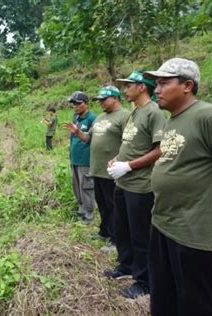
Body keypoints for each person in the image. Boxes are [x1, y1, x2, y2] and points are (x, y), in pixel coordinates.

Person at [143, 58, 212, 315]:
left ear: (187, 85)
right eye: (156, 84)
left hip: (192, 230)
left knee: (198, 302)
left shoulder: (210, 117)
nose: (156, 89)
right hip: (163, 222)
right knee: (165, 295)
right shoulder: (172, 119)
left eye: (164, 83)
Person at [103, 70, 166, 298]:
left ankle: (144, 281)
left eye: (129, 85)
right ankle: (126, 266)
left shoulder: (154, 112)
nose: (125, 89)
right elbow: (130, 143)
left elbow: (160, 149)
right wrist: (118, 159)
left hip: (141, 185)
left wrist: (129, 166)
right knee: (123, 228)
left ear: (142, 87)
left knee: (141, 235)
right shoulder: (134, 113)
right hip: (123, 183)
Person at [66, 86, 130, 251]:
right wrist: (77, 132)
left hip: (112, 171)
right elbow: (88, 139)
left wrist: (120, 159)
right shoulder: (100, 117)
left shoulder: (125, 116)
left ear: (115, 98)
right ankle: (104, 231)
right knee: (102, 203)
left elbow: (130, 142)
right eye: (99, 100)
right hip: (97, 169)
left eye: (104, 99)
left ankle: (116, 239)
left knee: (113, 205)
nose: (100, 103)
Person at [67, 91, 96, 223]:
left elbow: (93, 139)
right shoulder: (75, 118)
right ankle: (81, 208)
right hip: (75, 158)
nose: (76, 106)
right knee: (76, 184)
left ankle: (89, 213)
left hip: (85, 159)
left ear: (86, 104)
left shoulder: (92, 119)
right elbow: (72, 137)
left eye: (78, 103)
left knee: (86, 186)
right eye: (73, 104)